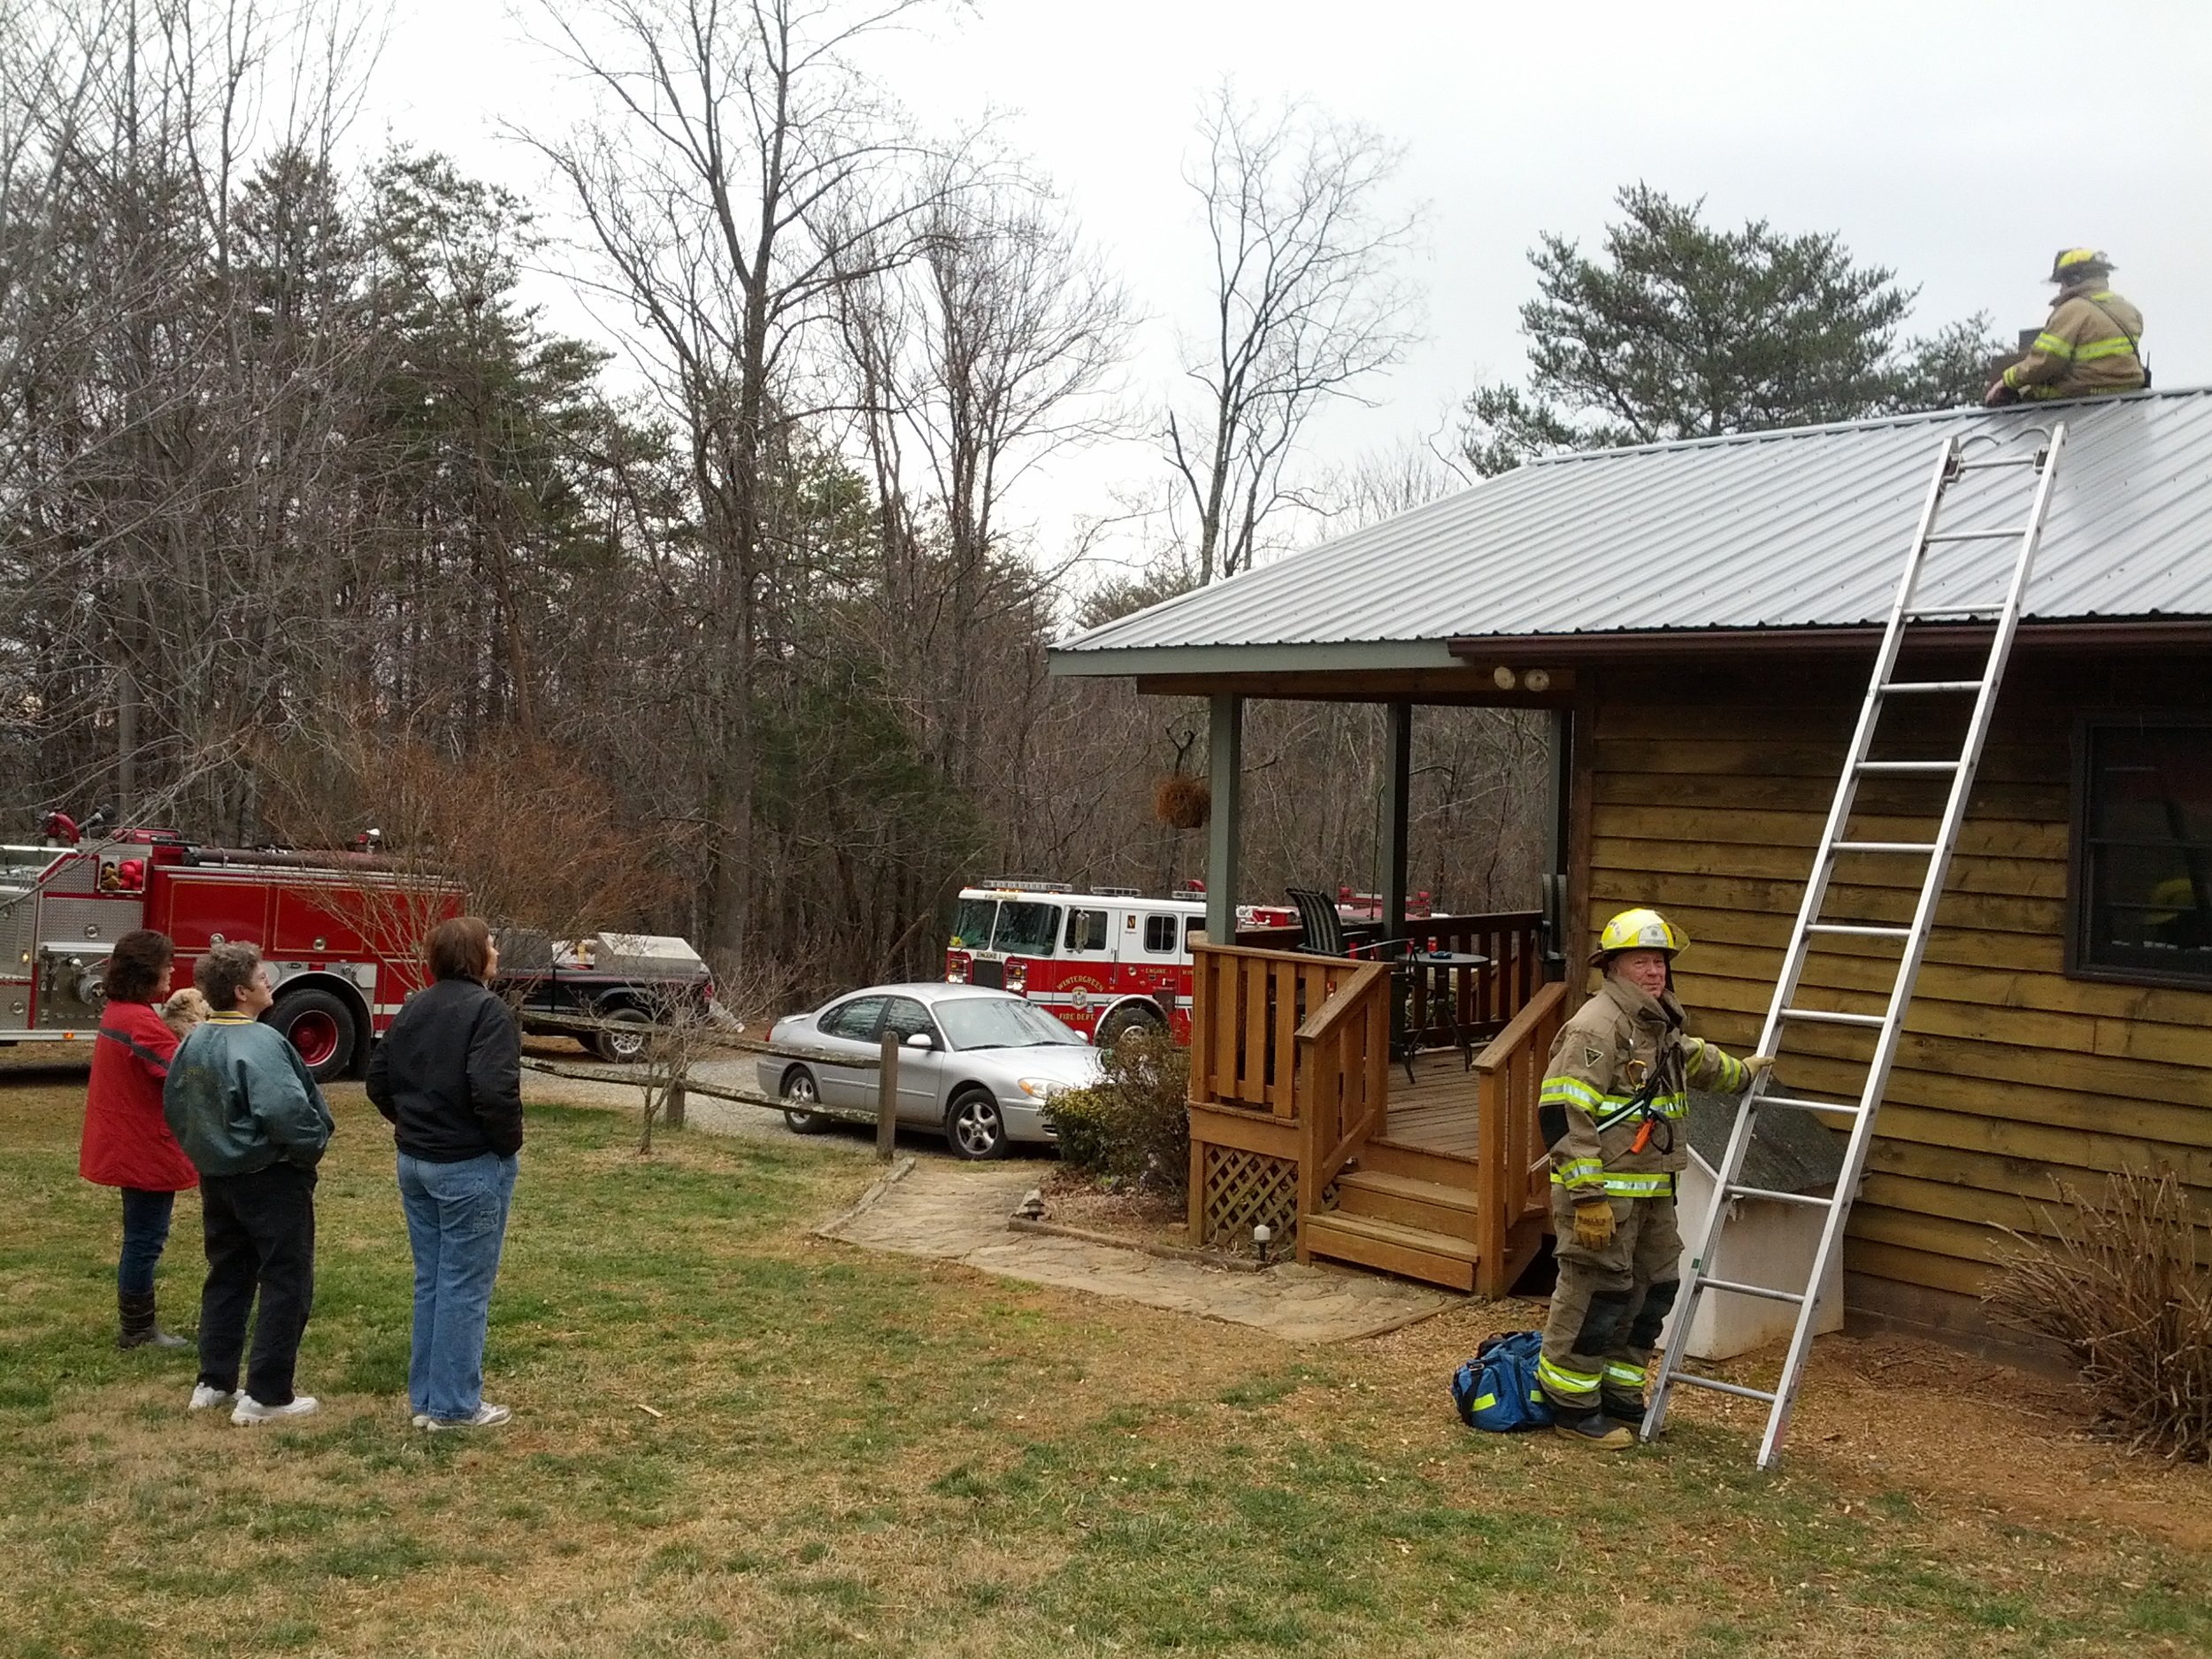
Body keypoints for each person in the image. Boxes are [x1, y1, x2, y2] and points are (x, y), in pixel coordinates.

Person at [1535, 909, 1772, 1448]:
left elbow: (1690, 1060)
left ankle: (1619, 1397)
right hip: (1602, 1199)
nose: (1655, 971)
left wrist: (1741, 1073)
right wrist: (1587, 1196)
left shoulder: (1655, 1026)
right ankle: (1571, 1408)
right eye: (1642, 960)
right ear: (1613, 967)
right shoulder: (1597, 1027)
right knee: (1595, 1295)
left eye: (1661, 960)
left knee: (1650, 1292)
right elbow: (1561, 1114)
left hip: (1650, 1195)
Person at [163, 942, 335, 1425]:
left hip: (217, 1177)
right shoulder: (260, 1043)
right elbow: (287, 1111)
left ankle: (214, 1379)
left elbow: (177, 1105)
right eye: (262, 977)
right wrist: (309, 1147)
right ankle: (267, 1394)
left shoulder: (193, 1042)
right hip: (269, 1177)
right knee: (286, 1279)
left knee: (227, 1273)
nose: (269, 983)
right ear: (241, 991)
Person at [366, 916, 523, 1432]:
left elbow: (378, 1079)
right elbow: (494, 1092)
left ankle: (430, 1399)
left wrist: (413, 1125)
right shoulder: (489, 1013)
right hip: (466, 1164)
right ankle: (454, 1406)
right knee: (463, 1286)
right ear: (475, 955)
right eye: (491, 945)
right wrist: (503, 1146)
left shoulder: (413, 1007)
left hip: (416, 1161)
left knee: (434, 1280)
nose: (497, 952)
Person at [79, 930, 196, 1350]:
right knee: (145, 1240)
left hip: (127, 1142)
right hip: (144, 1148)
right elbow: (188, 1074)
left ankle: (138, 1326)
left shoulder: (121, 1011)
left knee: (141, 1236)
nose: (171, 972)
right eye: (166, 965)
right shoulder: (142, 1023)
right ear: (147, 971)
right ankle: (138, 1330)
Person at [1985, 249, 2146, 405]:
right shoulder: (2128, 309)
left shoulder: (2072, 310)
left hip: (2081, 394)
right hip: (2128, 393)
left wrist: (2007, 381)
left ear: (2074, 279)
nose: (2060, 289)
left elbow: (2044, 362)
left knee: (2022, 394)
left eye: (2061, 283)